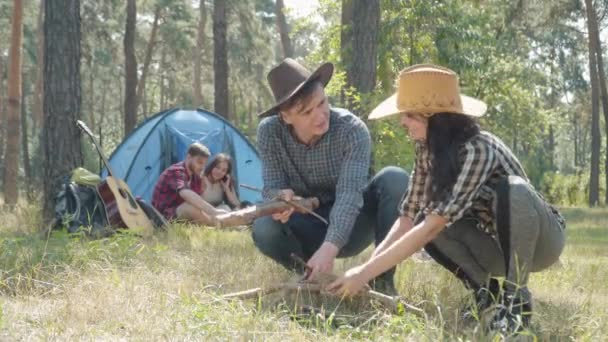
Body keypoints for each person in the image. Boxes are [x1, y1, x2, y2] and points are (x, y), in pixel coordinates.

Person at [327, 64, 566, 333]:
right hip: (494, 247)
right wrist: (366, 270)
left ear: (433, 117)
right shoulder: (425, 150)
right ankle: (486, 296)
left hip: (541, 244)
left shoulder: (478, 149)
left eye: (408, 115)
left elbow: (435, 224)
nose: (402, 122)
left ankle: (516, 301)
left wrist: (363, 275)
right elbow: (408, 218)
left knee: (514, 189)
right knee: (423, 218)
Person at [252, 58, 409, 294]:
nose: (320, 115)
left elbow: (349, 195)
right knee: (264, 226)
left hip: (355, 221)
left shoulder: (352, 130)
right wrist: (281, 199)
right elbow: (272, 187)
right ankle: (307, 277)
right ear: (285, 117)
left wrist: (331, 246)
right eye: (306, 112)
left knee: (395, 179)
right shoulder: (269, 132)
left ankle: (382, 281)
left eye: (322, 103)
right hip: (306, 223)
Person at [151, 142, 224, 225]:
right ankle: (219, 225)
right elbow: (185, 194)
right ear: (189, 157)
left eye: (204, 164)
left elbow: (197, 201)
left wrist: (203, 188)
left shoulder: (195, 177)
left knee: (222, 208)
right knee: (190, 208)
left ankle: (223, 222)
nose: (202, 167)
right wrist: (213, 211)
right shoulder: (176, 171)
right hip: (162, 216)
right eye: (200, 162)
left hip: (179, 215)